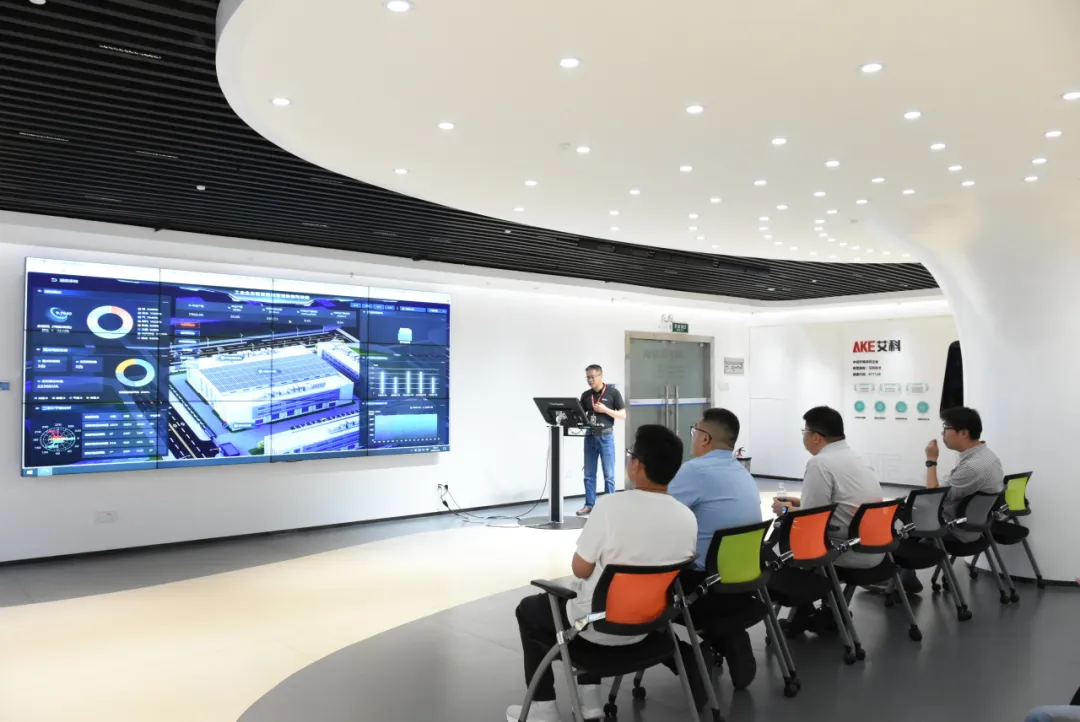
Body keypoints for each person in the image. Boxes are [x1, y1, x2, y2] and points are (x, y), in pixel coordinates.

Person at [507, 425, 698, 722]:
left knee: (531, 609)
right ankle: (590, 699)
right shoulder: (687, 517)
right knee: (592, 593)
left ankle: (544, 708)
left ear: (638, 466)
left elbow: (580, 568)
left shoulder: (610, 506)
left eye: (631, 454)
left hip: (595, 628)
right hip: (649, 626)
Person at [666, 408, 763, 690]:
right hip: (746, 581)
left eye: (694, 430)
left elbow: (658, 513)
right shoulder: (743, 472)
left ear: (705, 438)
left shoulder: (694, 471)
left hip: (704, 587)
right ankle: (728, 637)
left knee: (648, 586)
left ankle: (685, 655)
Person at [770, 406, 884, 634]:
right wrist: (799, 504)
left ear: (815, 437)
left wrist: (785, 511)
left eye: (804, 432)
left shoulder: (820, 463)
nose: (803, 437)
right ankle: (822, 613)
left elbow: (811, 520)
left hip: (847, 552)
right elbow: (836, 505)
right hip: (876, 548)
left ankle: (801, 614)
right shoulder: (857, 458)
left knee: (779, 545)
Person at [901, 406, 1004, 592]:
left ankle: (902, 579)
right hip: (975, 527)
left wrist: (931, 461)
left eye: (946, 428)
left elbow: (933, 496)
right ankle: (903, 577)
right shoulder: (987, 456)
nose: (942, 434)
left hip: (957, 530)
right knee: (910, 517)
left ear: (963, 433)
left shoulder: (973, 467)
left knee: (902, 520)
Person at [577, 364, 626, 516]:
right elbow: (580, 415)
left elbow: (623, 415)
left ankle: (609, 506)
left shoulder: (613, 393)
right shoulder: (586, 395)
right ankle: (589, 505)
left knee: (609, 475)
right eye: (588, 377)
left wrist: (605, 410)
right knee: (589, 474)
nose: (590, 380)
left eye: (593, 377)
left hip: (606, 436)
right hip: (590, 436)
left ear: (601, 376)